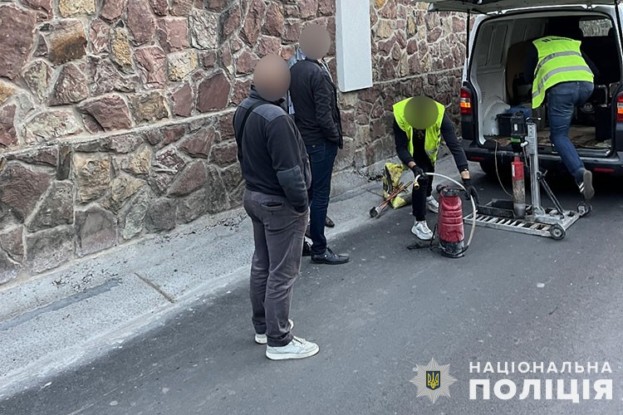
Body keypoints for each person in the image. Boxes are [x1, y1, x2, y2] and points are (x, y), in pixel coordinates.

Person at [234, 55, 319, 361]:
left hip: (255, 196)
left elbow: (243, 155)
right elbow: (289, 172)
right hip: (278, 203)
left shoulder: (244, 109)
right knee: (282, 272)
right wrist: (301, 206)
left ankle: (263, 327)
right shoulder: (277, 119)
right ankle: (279, 340)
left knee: (263, 263)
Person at [289, 24, 348, 265]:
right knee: (320, 195)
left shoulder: (294, 70)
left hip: (304, 140)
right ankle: (319, 248)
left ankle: (301, 243)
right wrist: (335, 138)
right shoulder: (319, 74)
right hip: (320, 143)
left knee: (307, 193)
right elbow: (325, 116)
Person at [524, 19, 598, 200]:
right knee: (570, 104)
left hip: (562, 90)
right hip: (587, 86)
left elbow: (527, 77)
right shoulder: (572, 43)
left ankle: (580, 173)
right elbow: (595, 71)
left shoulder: (537, 45)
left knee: (558, 136)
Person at [393, 95, 479, 240]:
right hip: (414, 148)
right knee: (421, 178)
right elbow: (401, 148)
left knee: (429, 168)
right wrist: (414, 167)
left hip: (428, 148)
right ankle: (419, 222)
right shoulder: (400, 114)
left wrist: (467, 180)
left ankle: (427, 197)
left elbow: (455, 147)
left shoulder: (440, 115)